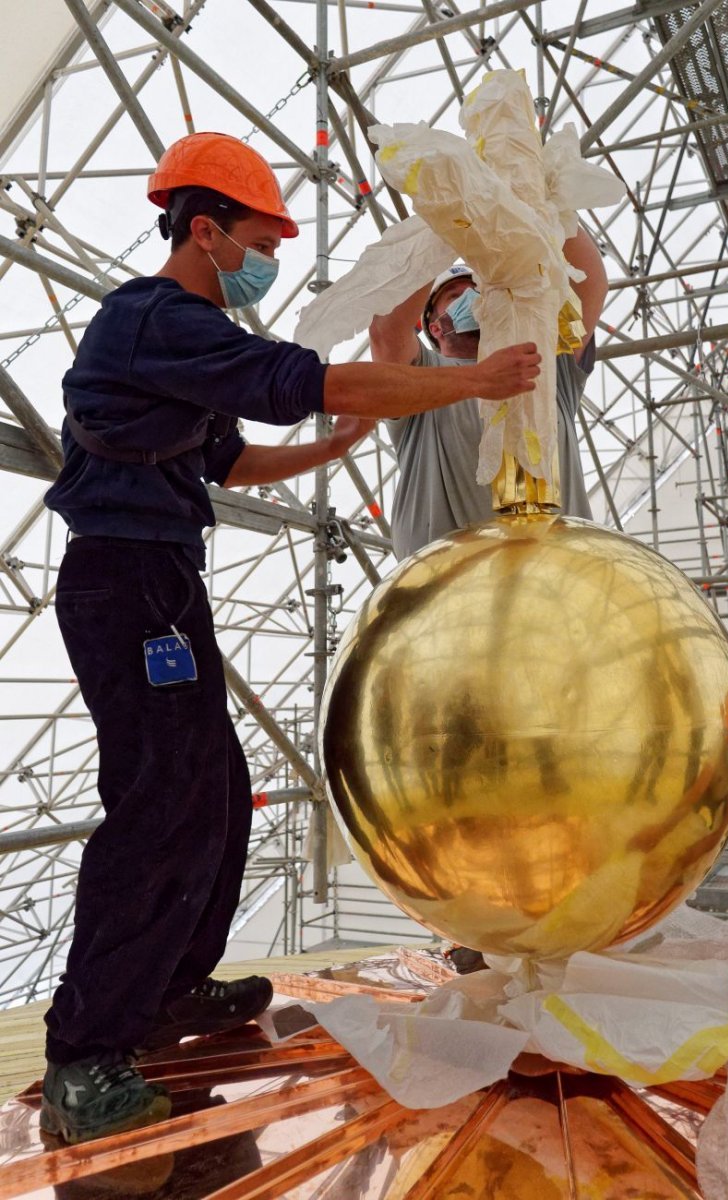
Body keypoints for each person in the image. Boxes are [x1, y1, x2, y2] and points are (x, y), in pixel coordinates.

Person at [39, 131, 540, 1145]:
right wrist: (466, 382)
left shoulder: (183, 349)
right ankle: (85, 1052)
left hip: (163, 582)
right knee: (156, 806)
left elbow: (235, 465)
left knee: (213, 793)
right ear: (205, 229)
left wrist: (347, 434)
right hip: (123, 580)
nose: (267, 259)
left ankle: (171, 989)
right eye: (260, 236)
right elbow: (310, 379)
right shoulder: (156, 319)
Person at [368, 226, 608, 559]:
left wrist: (547, 201)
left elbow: (589, 283)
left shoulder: (540, 362)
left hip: (557, 587)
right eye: (455, 295)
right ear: (434, 327)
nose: (475, 297)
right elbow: (386, 332)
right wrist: (445, 226)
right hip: (450, 588)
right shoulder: (422, 375)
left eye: (481, 288)